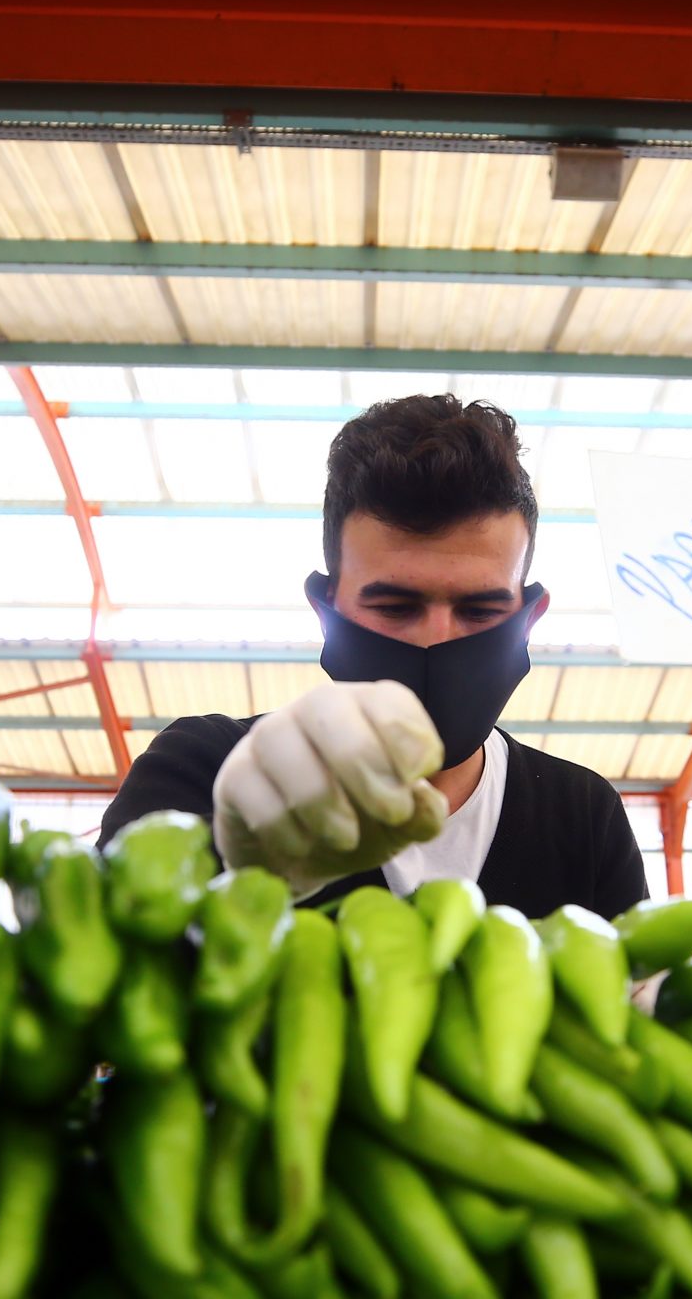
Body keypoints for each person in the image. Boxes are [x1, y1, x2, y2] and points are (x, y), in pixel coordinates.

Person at [99, 394, 648, 919]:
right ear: (325, 611)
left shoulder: (584, 816)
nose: (436, 639)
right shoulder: (201, 767)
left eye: (479, 611)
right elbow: (103, 954)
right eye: (394, 607)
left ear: (528, 621)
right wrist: (239, 860)